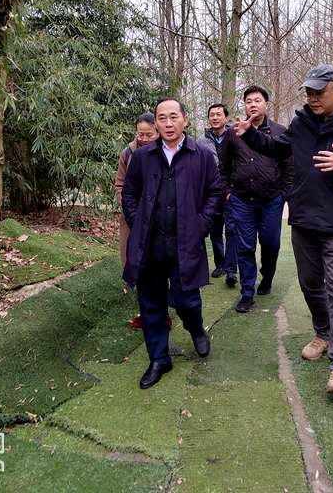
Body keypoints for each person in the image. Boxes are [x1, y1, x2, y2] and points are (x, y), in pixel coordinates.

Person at [232, 64, 333, 396]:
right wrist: (250, 134)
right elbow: (278, 147)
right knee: (310, 286)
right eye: (308, 93)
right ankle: (323, 332)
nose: (312, 98)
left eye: (319, 92)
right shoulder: (302, 122)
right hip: (303, 218)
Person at [122, 97, 222, 389]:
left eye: (173, 117)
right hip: (149, 244)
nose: (168, 123)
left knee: (186, 300)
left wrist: (202, 225)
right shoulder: (142, 157)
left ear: (185, 120)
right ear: (155, 123)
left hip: (185, 243)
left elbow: (215, 193)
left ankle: (196, 328)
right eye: (162, 118)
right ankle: (159, 359)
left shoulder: (201, 156)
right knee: (151, 304)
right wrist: (136, 220)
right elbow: (129, 193)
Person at [219, 86, 294, 313]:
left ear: (266, 105)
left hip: (272, 201)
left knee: (271, 244)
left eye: (257, 100)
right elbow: (223, 165)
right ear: (244, 105)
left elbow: (289, 167)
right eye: (248, 101)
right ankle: (247, 292)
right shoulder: (233, 133)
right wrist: (228, 192)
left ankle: (267, 277)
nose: (253, 104)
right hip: (241, 200)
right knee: (245, 248)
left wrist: (283, 195)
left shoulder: (280, 131)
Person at [114, 114, 170, 331]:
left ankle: (163, 313)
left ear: (157, 131)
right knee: (137, 265)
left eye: (149, 134)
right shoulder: (128, 153)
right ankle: (146, 313)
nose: (144, 139)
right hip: (133, 219)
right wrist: (131, 214)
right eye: (140, 134)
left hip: (160, 220)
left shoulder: (165, 151)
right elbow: (120, 185)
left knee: (159, 265)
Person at [196, 104, 238, 286]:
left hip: (231, 191)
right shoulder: (201, 140)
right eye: (211, 115)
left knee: (232, 230)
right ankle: (220, 264)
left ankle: (231, 269)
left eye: (218, 115)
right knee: (214, 231)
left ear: (226, 118)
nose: (215, 118)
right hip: (211, 192)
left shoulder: (235, 136)